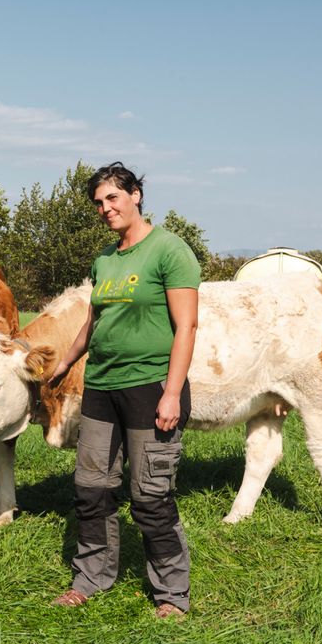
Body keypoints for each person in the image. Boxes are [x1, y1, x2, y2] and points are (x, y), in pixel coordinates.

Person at [47, 162, 200, 618]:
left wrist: (171, 393)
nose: (105, 208)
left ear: (135, 194)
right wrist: (67, 360)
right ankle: (91, 577)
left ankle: (171, 593)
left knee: (151, 495)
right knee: (90, 489)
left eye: (112, 197)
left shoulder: (170, 250)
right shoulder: (106, 260)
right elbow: (95, 321)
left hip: (151, 387)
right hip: (101, 388)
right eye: (98, 202)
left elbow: (186, 325)